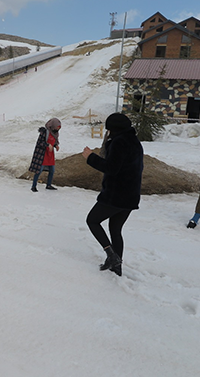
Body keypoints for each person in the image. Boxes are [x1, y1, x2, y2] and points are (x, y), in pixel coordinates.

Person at [82, 113, 144, 277]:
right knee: (115, 230)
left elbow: (111, 168)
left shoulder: (119, 142)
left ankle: (111, 255)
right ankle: (117, 268)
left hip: (116, 195)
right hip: (131, 195)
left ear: (113, 129)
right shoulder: (134, 142)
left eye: (108, 128)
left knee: (92, 220)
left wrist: (90, 158)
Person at [29, 118, 61, 192]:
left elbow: (54, 141)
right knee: (39, 171)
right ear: (53, 125)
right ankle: (33, 186)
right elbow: (40, 143)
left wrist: (55, 145)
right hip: (42, 154)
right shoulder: (44, 132)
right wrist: (47, 145)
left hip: (50, 154)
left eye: (59, 128)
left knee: (52, 170)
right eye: (57, 127)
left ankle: (48, 185)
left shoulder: (55, 133)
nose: (58, 129)